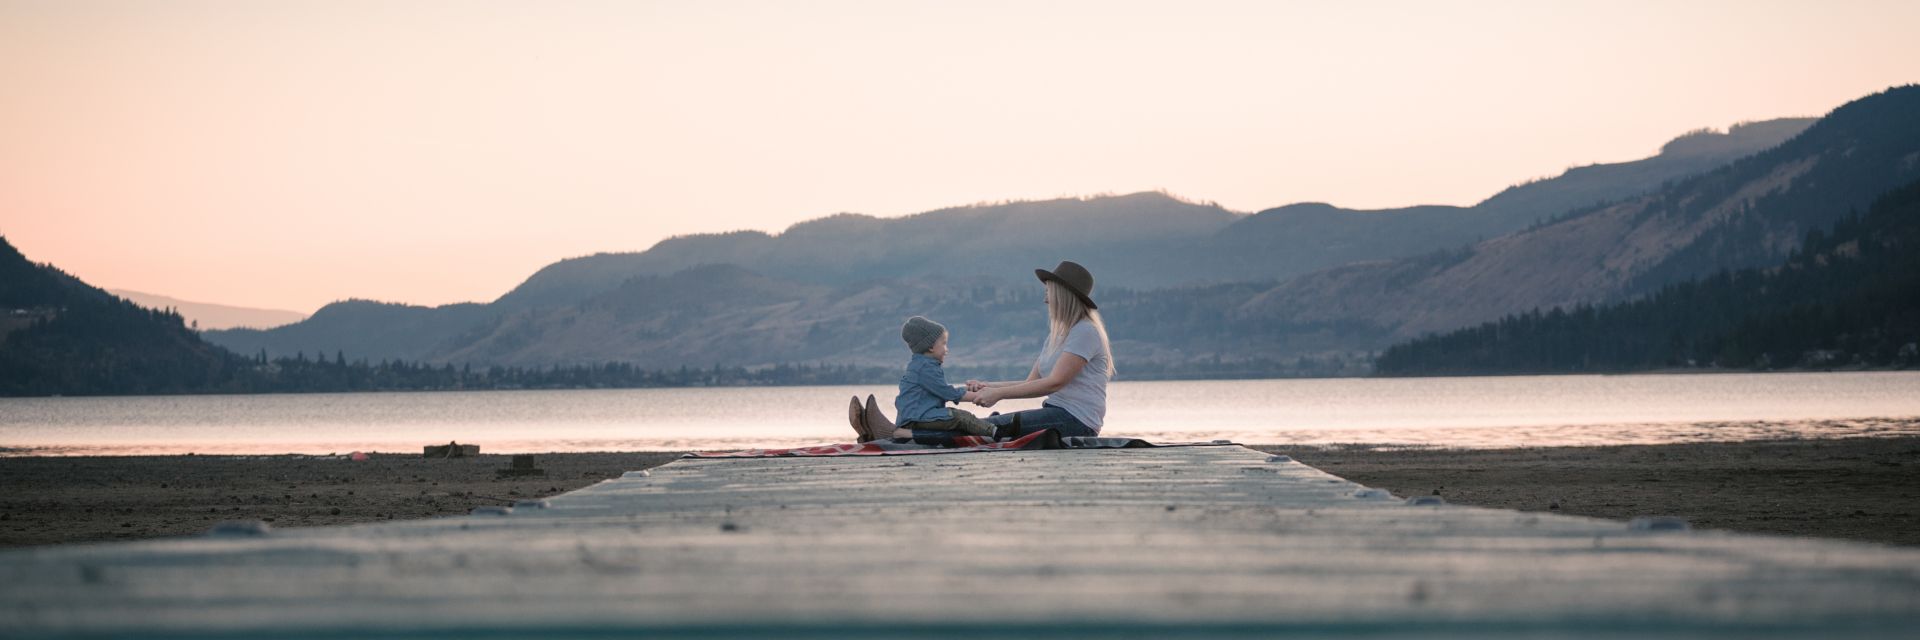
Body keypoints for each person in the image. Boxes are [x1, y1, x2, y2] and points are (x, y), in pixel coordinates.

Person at [848, 260, 1113, 443]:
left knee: (990, 426)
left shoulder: (1085, 333)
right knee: (985, 423)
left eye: (1048, 292)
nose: (1044, 298)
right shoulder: (1058, 337)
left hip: (1077, 422)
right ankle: (896, 432)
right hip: (1057, 413)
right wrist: (986, 387)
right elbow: (1031, 383)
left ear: (1062, 295)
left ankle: (899, 435)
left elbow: (1054, 383)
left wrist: (997, 394)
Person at [872, 316, 995, 442]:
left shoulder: (923, 365)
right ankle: (995, 432)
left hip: (920, 415)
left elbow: (942, 390)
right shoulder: (925, 368)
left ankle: (987, 428)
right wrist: (979, 396)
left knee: (955, 421)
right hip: (917, 418)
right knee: (961, 417)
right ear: (930, 346)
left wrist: (972, 390)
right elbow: (948, 393)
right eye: (944, 344)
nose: (947, 350)